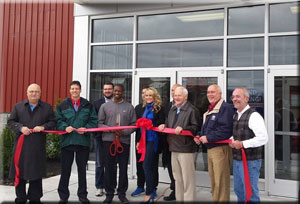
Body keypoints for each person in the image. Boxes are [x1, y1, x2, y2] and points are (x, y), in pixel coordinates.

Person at [7, 83, 56, 204]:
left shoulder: (47, 108)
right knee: (20, 173)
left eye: (36, 91)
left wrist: (43, 126)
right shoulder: (18, 107)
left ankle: (35, 198)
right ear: (27, 93)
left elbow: (53, 122)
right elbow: (11, 122)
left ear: (40, 93)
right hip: (21, 147)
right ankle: (21, 198)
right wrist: (20, 128)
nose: (33, 93)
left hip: (37, 147)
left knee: (36, 174)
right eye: (31, 91)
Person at [56, 80, 98, 204]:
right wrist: (64, 127)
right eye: (72, 88)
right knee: (65, 170)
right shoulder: (63, 105)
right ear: (69, 90)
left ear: (80, 90)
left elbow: (94, 120)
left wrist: (86, 128)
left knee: (81, 171)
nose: (75, 91)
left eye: (77, 88)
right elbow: (58, 120)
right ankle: (63, 197)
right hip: (67, 142)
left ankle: (83, 196)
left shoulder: (88, 105)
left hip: (82, 142)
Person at [194, 84, 234, 202]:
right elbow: (207, 128)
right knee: (214, 180)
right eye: (208, 92)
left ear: (220, 94)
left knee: (221, 181)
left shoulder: (225, 108)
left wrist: (209, 138)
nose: (209, 94)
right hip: (211, 149)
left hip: (220, 149)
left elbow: (226, 130)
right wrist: (199, 135)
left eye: (213, 92)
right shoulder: (211, 108)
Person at [158, 86, 199, 202]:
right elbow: (168, 123)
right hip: (173, 147)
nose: (176, 97)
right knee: (177, 179)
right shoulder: (172, 109)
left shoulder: (192, 110)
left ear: (185, 97)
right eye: (175, 95)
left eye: (179, 95)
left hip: (186, 148)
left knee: (187, 179)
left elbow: (196, 128)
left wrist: (184, 128)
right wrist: (163, 126)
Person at [98, 84, 136, 204]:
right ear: (113, 91)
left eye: (119, 91)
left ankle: (122, 193)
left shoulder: (129, 107)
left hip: (123, 142)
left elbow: (134, 125)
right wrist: (110, 129)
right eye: (115, 90)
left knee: (123, 168)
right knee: (109, 167)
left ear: (123, 92)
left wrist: (124, 132)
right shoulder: (104, 106)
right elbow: (99, 123)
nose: (117, 92)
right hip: (108, 141)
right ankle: (109, 193)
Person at [230, 87, 268, 202]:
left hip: (250, 161)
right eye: (233, 97)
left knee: (250, 193)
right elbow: (236, 135)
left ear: (246, 99)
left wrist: (242, 144)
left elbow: (263, 138)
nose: (235, 99)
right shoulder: (236, 115)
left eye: (238, 96)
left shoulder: (254, 116)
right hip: (237, 160)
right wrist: (231, 140)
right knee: (239, 190)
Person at [135, 87, 165, 203]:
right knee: (149, 166)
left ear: (154, 97)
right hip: (143, 140)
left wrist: (152, 123)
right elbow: (139, 128)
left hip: (154, 140)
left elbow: (161, 121)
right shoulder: (142, 108)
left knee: (147, 165)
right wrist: (138, 141)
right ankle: (152, 190)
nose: (148, 97)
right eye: (146, 95)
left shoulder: (159, 108)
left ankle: (148, 193)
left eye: (150, 96)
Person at [93, 82, 114, 197]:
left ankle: (111, 186)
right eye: (105, 89)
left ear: (113, 90)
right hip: (100, 137)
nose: (107, 91)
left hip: (114, 138)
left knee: (111, 163)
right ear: (103, 90)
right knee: (100, 163)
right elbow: (94, 120)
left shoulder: (118, 102)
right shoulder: (96, 103)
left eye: (109, 89)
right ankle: (100, 187)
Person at [161, 83, 181, 201]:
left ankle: (180, 191)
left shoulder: (188, 107)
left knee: (179, 169)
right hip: (168, 143)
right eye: (172, 90)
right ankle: (174, 189)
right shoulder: (168, 105)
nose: (174, 93)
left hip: (180, 144)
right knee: (171, 167)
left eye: (177, 91)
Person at [131, 86, 149, 197]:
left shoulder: (157, 108)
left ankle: (152, 187)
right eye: (143, 93)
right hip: (139, 141)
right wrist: (138, 141)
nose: (145, 95)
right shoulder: (138, 108)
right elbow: (136, 126)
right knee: (140, 164)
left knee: (151, 165)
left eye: (147, 92)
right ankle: (140, 186)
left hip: (152, 141)